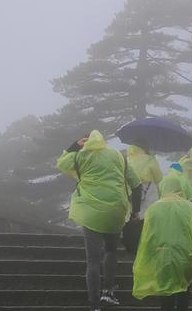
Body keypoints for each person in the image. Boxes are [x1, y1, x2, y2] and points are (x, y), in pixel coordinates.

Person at [57, 130, 142, 311]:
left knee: (93, 259)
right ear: (103, 141)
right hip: (115, 210)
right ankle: (108, 291)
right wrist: (135, 211)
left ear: (87, 141)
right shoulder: (118, 156)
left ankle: (94, 304)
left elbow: (62, 164)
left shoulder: (81, 155)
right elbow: (136, 184)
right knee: (111, 251)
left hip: (89, 211)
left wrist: (74, 146)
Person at [132, 174, 192, 311]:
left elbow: (148, 238)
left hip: (161, 257)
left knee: (165, 294)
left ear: (163, 188)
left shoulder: (153, 209)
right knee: (184, 291)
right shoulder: (189, 207)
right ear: (180, 188)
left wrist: (147, 259)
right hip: (186, 256)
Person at [127, 141, 163, 212]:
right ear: (145, 148)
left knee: (134, 213)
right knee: (150, 212)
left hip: (131, 190)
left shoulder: (127, 159)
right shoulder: (150, 159)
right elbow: (158, 178)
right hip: (149, 191)